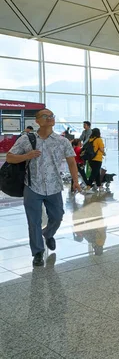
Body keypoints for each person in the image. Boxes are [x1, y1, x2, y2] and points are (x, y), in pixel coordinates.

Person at [7, 108, 82, 266]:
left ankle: (48, 233)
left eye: (51, 116)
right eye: (45, 116)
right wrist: (26, 156)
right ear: (37, 121)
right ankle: (38, 252)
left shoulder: (62, 141)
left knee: (57, 216)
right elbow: (10, 157)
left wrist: (75, 181)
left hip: (54, 186)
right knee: (33, 221)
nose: (49, 118)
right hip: (32, 186)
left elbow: (71, 161)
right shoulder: (26, 139)